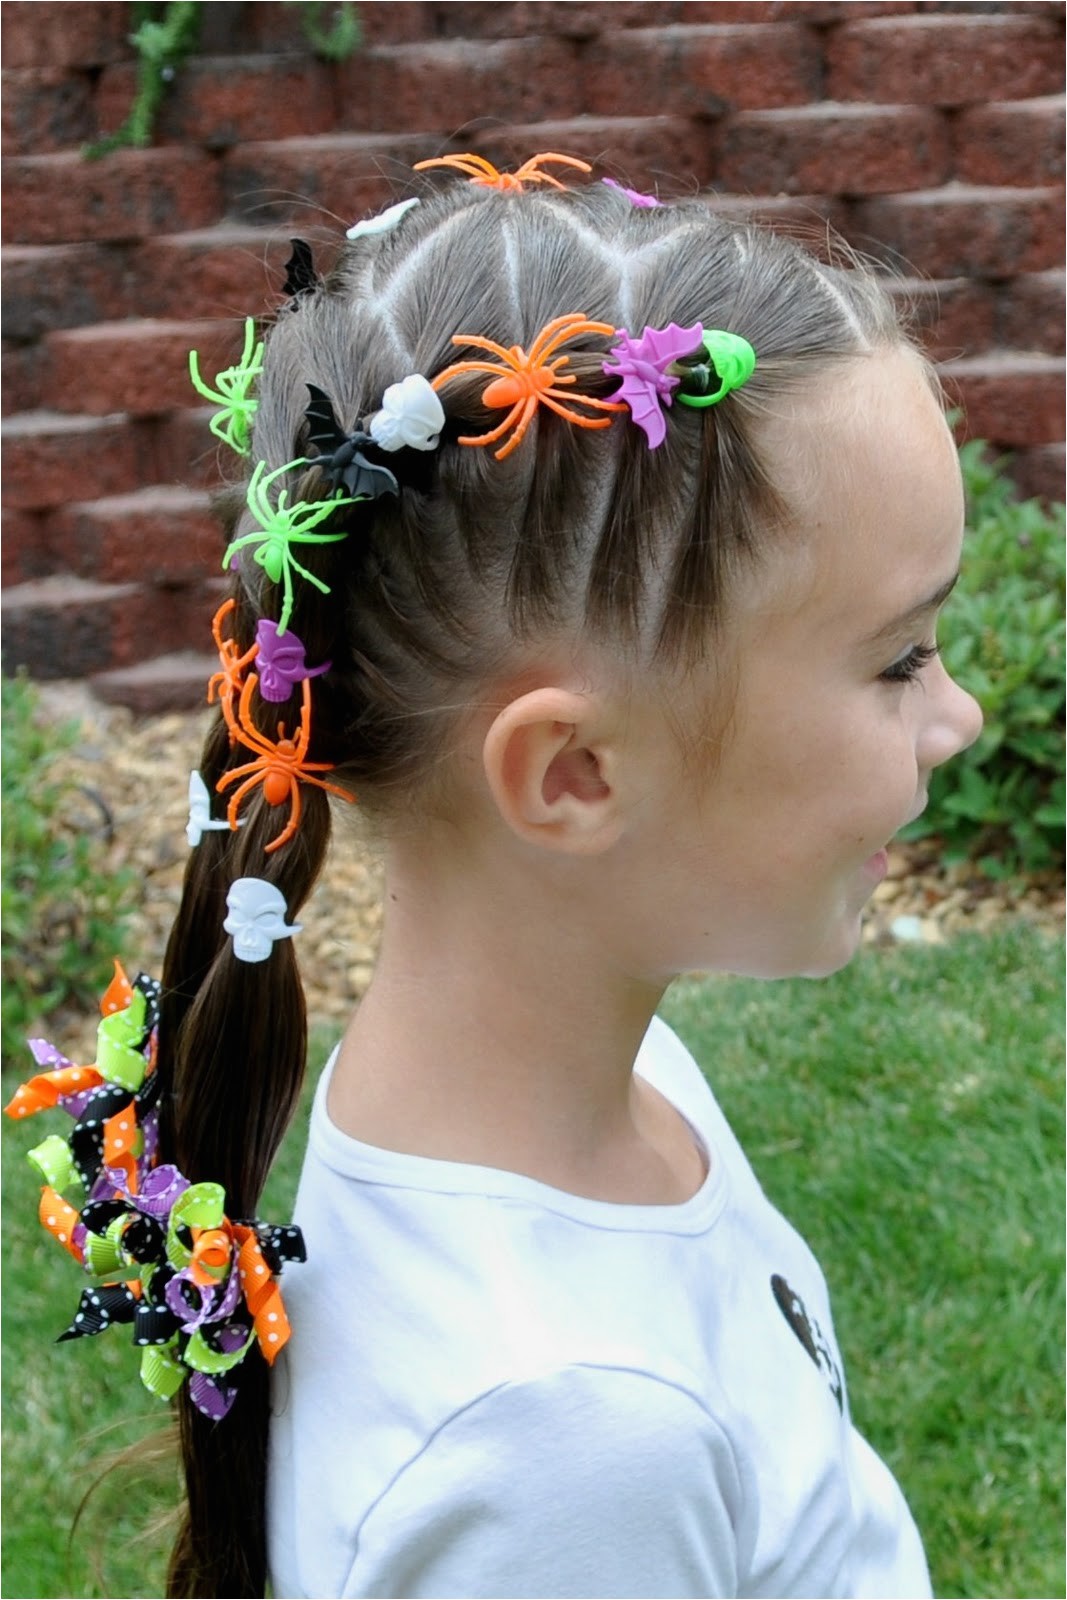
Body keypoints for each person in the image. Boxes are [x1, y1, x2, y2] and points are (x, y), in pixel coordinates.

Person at [9, 153, 983, 1599]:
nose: (957, 716)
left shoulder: (606, 1095)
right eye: (898, 656)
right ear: (573, 775)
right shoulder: (564, 1450)